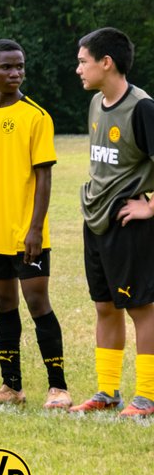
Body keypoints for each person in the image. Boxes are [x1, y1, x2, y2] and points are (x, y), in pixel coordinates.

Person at [0, 39, 70, 409]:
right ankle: (11, 387)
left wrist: (35, 228)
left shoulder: (36, 116)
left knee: (37, 303)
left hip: (27, 233)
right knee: (3, 305)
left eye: (19, 66)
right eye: (6, 67)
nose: (15, 73)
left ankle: (58, 387)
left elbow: (44, 177)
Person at [71, 28, 154, 418]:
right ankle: (107, 392)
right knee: (104, 306)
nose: (78, 69)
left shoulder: (142, 108)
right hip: (96, 220)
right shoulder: (95, 103)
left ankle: (147, 396)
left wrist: (150, 207)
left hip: (127, 222)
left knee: (141, 309)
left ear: (106, 62)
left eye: (83, 61)